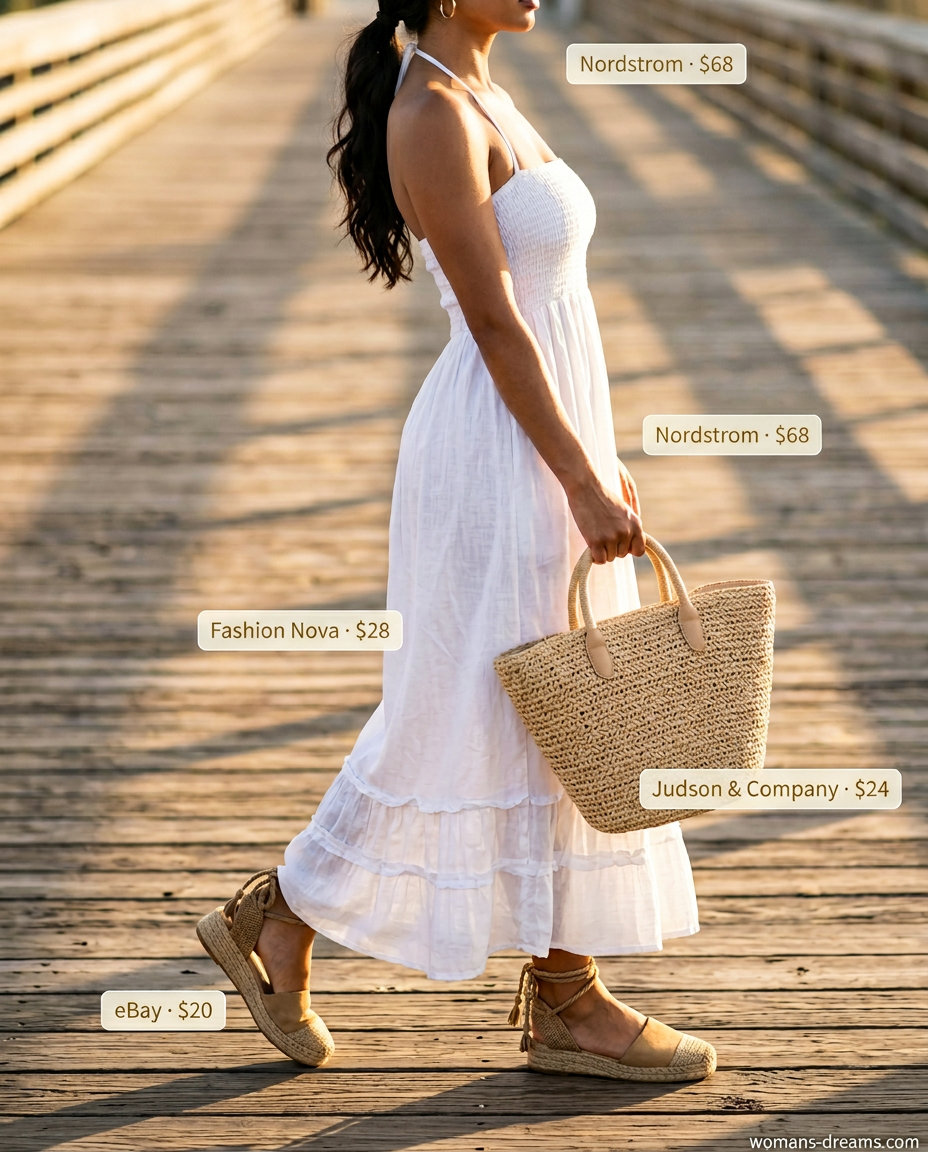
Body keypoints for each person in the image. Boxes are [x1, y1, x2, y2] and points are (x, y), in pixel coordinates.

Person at [197, 0, 716, 1082]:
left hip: (542, 432)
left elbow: (550, 302)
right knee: (480, 704)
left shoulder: (486, 91)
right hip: (494, 453)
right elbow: (490, 318)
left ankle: (557, 992)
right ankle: (296, 916)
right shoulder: (430, 110)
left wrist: (591, 447)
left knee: (561, 705)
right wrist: (574, 474)